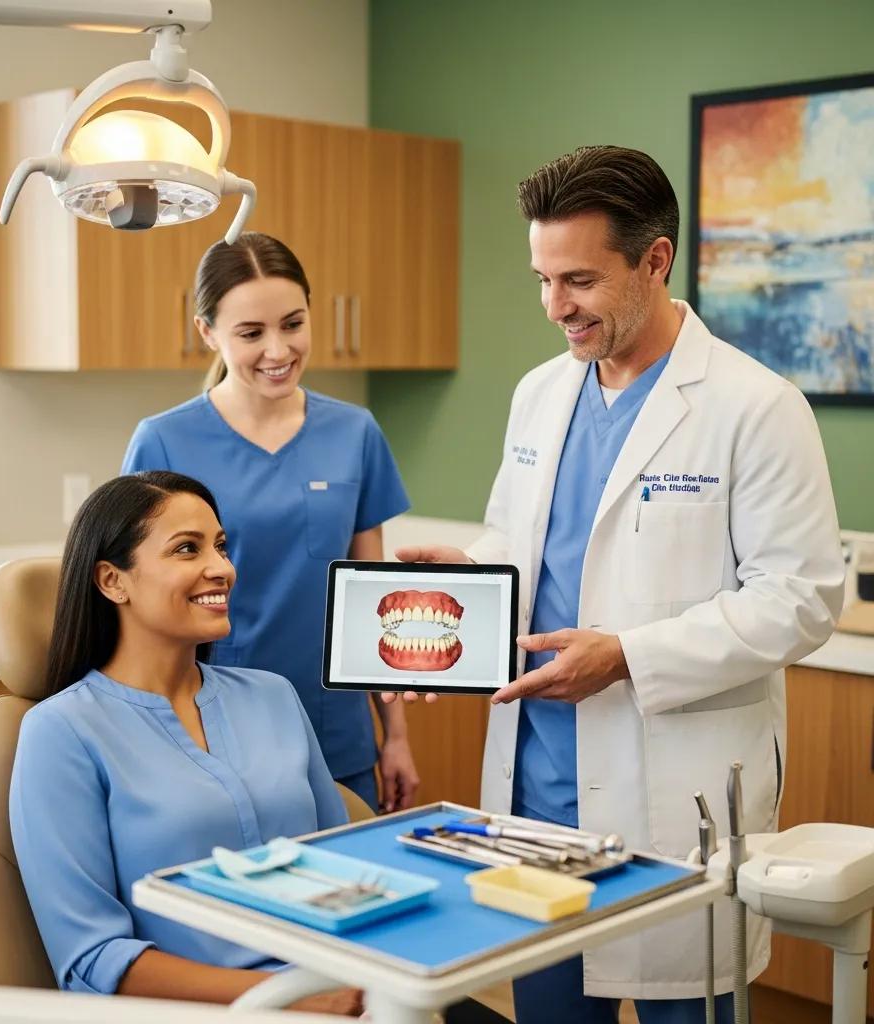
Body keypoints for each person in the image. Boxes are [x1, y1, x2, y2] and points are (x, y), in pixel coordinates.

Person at [391, 145, 845, 1023]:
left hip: (674, 791)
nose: (556, 307)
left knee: (687, 999)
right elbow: (522, 540)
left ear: (655, 261)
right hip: (535, 792)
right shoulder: (539, 394)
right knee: (552, 1003)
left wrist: (630, 657)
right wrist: (474, 577)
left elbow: (800, 596)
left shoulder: (755, 406)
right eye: (542, 279)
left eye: (580, 281)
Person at [9, 470, 360, 1012]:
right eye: (186, 549)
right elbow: (94, 959)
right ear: (112, 581)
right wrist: (293, 1000)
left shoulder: (273, 697)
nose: (221, 568)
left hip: (343, 987)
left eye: (220, 546)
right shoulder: (61, 733)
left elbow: (346, 869)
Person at [122, 232, 418, 813]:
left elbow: (375, 599)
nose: (278, 350)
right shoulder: (163, 440)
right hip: (207, 730)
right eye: (251, 333)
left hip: (337, 731)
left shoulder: (354, 433)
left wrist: (397, 737)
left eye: (293, 323)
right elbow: (135, 613)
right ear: (208, 332)